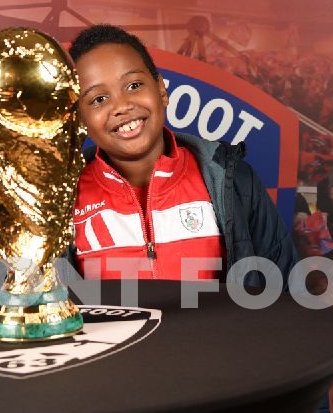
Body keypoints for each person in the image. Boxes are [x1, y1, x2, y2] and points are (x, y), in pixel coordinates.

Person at [67, 24, 297, 285]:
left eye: (133, 85)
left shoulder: (234, 181)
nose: (121, 106)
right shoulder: (62, 201)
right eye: (98, 99)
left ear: (161, 90)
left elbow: (287, 294)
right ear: (79, 118)